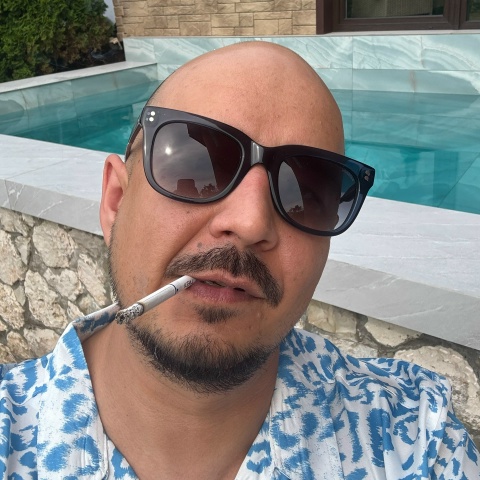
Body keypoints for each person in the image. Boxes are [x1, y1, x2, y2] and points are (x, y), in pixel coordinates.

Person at [0, 41, 478, 479]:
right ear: (116, 202)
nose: (250, 223)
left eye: (305, 192)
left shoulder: (413, 437)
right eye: (196, 166)